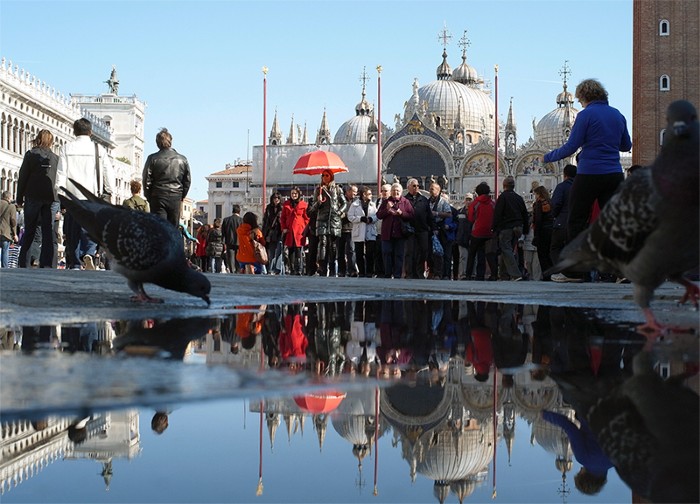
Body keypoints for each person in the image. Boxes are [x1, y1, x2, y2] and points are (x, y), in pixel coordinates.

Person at [543, 78, 632, 242]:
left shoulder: (585, 115)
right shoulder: (618, 115)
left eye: (580, 100)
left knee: (576, 219)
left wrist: (548, 157)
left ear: (585, 97)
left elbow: (571, 147)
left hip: (589, 174)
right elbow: (626, 146)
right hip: (614, 174)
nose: (580, 104)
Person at [57, 118, 114, 270]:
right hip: (91, 195)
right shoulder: (98, 149)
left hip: (72, 196)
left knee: (72, 230)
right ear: (90, 132)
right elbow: (108, 172)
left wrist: (60, 192)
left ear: (74, 131)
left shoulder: (66, 148)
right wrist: (109, 190)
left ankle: (76, 263)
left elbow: (61, 173)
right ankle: (88, 253)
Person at [16, 129, 60, 268]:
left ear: (38, 139)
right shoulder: (55, 158)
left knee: (30, 229)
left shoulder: (30, 155)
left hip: (33, 195)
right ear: (51, 142)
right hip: (50, 197)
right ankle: (47, 263)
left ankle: (24, 263)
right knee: (48, 231)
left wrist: (19, 197)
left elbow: (23, 176)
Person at [142, 128, 191, 227]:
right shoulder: (182, 159)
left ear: (157, 143)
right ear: (170, 141)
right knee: (173, 229)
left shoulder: (152, 158)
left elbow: (146, 179)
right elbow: (187, 181)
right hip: (175, 197)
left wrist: (149, 196)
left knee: (159, 229)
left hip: (158, 196)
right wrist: (181, 195)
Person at [309, 169, 347, 277]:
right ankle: (322, 268)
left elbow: (344, 203)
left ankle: (332, 268)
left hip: (334, 219)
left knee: (333, 245)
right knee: (323, 243)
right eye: (323, 175)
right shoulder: (318, 190)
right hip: (322, 219)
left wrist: (339, 212)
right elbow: (313, 209)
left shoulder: (337, 189)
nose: (325, 177)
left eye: (327, 175)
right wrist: (318, 202)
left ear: (331, 177)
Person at [549, 164, 582, 282]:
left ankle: (564, 272)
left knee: (555, 248)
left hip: (562, 223)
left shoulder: (562, 187)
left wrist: (554, 216)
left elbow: (555, 204)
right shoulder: (581, 187)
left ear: (564, 175)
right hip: (579, 223)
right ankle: (577, 273)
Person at [492, 176, 528, 281]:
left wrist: (494, 228)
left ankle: (516, 274)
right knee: (507, 250)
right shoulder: (519, 198)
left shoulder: (503, 197)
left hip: (507, 227)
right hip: (518, 227)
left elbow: (497, 214)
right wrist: (525, 230)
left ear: (504, 186)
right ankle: (504, 275)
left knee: (506, 250)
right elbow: (525, 214)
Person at [376, 182, 414, 278]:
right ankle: (387, 273)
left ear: (401, 192)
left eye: (397, 191)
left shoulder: (405, 202)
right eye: (393, 190)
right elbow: (379, 215)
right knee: (386, 253)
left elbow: (411, 215)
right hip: (387, 233)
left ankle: (397, 274)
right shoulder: (386, 202)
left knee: (399, 254)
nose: (395, 192)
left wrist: (401, 213)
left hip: (400, 233)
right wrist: (387, 210)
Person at [466, 182, 498, 281]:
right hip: (489, 233)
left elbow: (471, 218)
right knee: (489, 254)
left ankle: (469, 274)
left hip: (477, 232)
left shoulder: (475, 203)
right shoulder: (493, 203)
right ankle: (493, 274)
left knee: (472, 254)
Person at [403, 178, 434, 279]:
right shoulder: (404, 200)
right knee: (410, 252)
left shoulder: (423, 199)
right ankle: (409, 273)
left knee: (423, 251)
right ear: (408, 187)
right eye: (414, 186)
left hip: (422, 229)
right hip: (410, 230)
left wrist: (433, 227)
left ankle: (420, 272)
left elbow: (429, 215)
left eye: (418, 186)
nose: (417, 188)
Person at [348, 186, 377, 277]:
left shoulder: (373, 205)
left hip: (370, 230)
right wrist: (360, 218)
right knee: (359, 253)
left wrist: (371, 219)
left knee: (370, 253)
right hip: (359, 231)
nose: (371, 196)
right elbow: (350, 217)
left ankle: (369, 271)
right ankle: (361, 272)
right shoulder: (355, 205)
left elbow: (377, 216)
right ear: (364, 194)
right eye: (369, 194)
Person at [280, 187, 309, 275]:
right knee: (290, 250)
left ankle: (299, 269)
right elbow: (283, 218)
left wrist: (306, 229)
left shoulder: (303, 204)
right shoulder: (286, 204)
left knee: (298, 250)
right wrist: (284, 228)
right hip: (289, 231)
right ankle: (292, 268)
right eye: (292, 193)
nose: (294, 195)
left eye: (295, 193)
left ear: (299, 194)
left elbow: (307, 218)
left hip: (299, 231)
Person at [427, 182, 453, 280]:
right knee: (430, 252)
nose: (430, 190)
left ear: (438, 191)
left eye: (432, 189)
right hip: (430, 228)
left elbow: (449, 214)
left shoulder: (443, 202)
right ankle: (432, 271)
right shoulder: (427, 201)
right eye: (430, 188)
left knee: (439, 252)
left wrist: (437, 213)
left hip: (440, 229)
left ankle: (439, 273)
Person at [532, 185, 554, 279]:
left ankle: (546, 275)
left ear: (539, 194)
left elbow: (538, 220)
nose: (535, 196)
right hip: (552, 230)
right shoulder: (550, 202)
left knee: (542, 255)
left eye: (535, 194)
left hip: (542, 232)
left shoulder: (539, 204)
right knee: (550, 254)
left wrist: (536, 234)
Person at [338, 184, 359, 277]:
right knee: (340, 251)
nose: (355, 194)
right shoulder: (341, 200)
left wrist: (347, 215)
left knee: (351, 250)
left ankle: (352, 270)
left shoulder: (357, 202)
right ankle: (341, 270)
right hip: (341, 228)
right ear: (348, 191)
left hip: (352, 229)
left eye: (356, 192)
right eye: (353, 192)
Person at [262, 192, 283, 272]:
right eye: (274, 198)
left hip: (280, 231)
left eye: (278, 198)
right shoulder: (268, 208)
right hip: (271, 232)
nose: (276, 200)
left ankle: (277, 269)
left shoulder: (282, 208)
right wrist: (265, 233)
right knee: (271, 251)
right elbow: (265, 221)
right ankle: (271, 269)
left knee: (279, 251)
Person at [455, 193, 473, 280]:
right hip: (461, 238)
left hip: (472, 237)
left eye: (470, 200)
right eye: (467, 199)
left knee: (473, 257)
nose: (468, 201)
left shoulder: (475, 212)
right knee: (463, 257)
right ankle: (462, 274)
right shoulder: (459, 212)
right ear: (464, 201)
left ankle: (472, 274)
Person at [222, 204, 243, 275]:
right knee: (238, 257)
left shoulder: (226, 220)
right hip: (239, 241)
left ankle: (232, 270)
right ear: (239, 211)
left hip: (229, 241)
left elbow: (223, 232)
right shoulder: (241, 220)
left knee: (230, 257)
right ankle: (238, 270)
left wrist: (223, 242)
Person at [0, 191, 18, 268]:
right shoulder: (11, 206)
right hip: (5, 232)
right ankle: (4, 269)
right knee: (5, 251)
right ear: (9, 197)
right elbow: (13, 221)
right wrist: (15, 234)